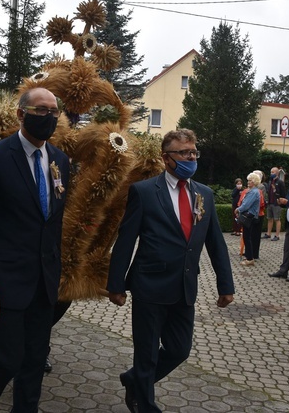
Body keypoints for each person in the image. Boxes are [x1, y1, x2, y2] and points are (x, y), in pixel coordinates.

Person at [107, 128, 234, 413]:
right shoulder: (144, 191)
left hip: (184, 287)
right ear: (166, 158)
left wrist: (226, 285)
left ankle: (134, 381)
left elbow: (216, 242)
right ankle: (144, 403)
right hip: (149, 286)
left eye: (193, 152)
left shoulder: (205, 194)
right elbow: (126, 240)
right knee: (147, 354)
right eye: (184, 153)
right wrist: (116, 284)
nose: (191, 158)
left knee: (179, 350)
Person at [0, 87, 70, 413]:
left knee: (35, 360)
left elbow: (53, 222)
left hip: (43, 282)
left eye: (54, 111)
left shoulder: (60, 160)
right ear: (20, 115)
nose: (49, 117)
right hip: (4, 282)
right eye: (41, 111)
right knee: (9, 358)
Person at [235, 172, 261, 266]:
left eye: (250, 180)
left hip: (250, 216)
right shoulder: (253, 191)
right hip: (251, 216)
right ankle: (249, 257)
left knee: (247, 237)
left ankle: (250, 258)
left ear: (254, 182)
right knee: (247, 237)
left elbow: (246, 204)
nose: (248, 182)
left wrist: (238, 209)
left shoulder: (253, 192)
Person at [263, 166, 287, 242]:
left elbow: (283, 193)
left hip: (276, 203)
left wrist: (280, 201)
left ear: (277, 173)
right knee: (269, 218)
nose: (271, 173)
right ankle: (268, 233)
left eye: (273, 172)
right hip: (270, 202)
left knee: (277, 219)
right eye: (271, 172)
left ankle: (277, 235)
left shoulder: (280, 182)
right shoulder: (270, 181)